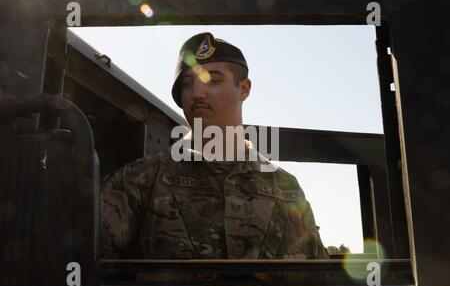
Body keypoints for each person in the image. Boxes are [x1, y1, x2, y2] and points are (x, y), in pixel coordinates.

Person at [101, 32, 328, 260]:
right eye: (188, 84)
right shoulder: (141, 179)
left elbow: (318, 282)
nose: (197, 93)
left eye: (213, 80)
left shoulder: (285, 187)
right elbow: (79, 260)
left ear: (244, 89)